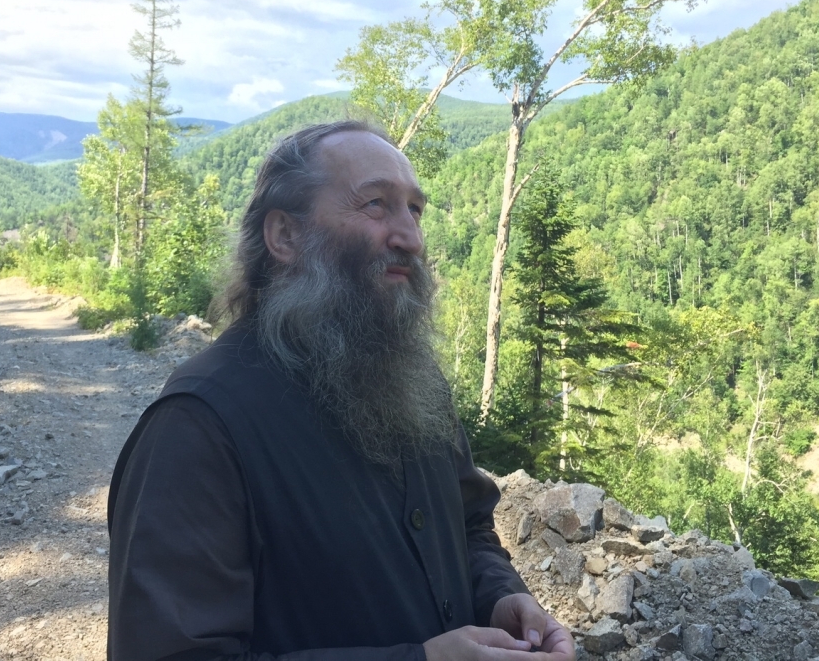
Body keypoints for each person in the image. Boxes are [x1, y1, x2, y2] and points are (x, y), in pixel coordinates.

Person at [107, 121, 575, 661]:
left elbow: (467, 526)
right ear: (285, 236)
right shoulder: (197, 427)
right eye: (376, 204)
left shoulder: (413, 380)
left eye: (414, 210)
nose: (411, 238)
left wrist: (500, 597)